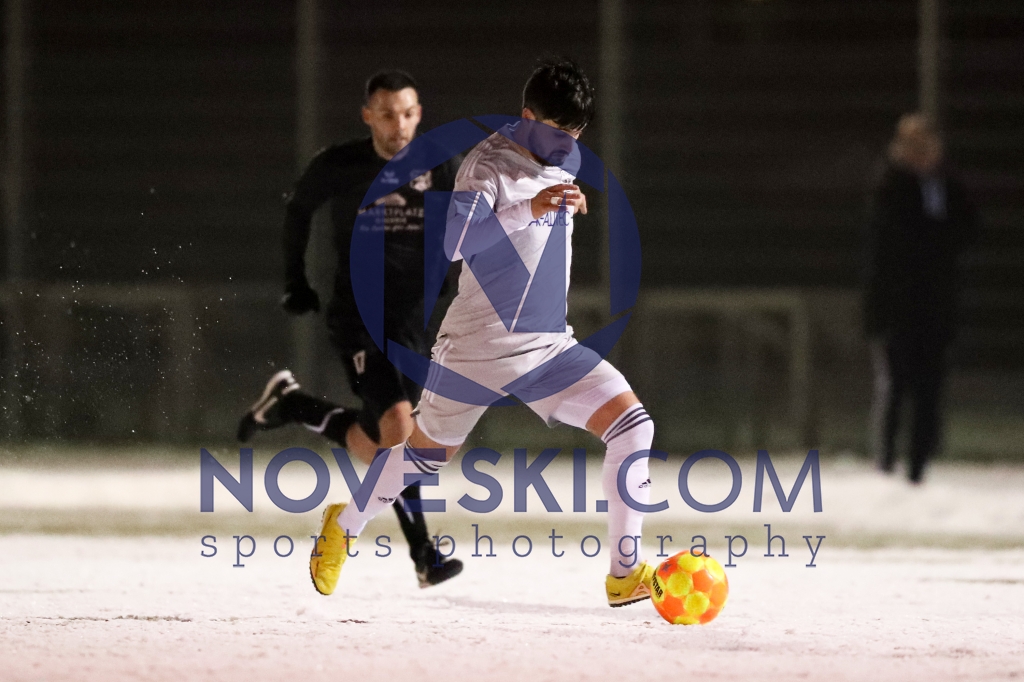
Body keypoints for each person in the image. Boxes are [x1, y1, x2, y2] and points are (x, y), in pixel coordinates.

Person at [309, 58, 658, 608]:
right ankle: (343, 525)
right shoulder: (485, 165)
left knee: (633, 427)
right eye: (559, 132)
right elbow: (456, 241)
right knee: (423, 458)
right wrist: (531, 207)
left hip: (548, 345)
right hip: (478, 347)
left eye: (576, 133)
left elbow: (539, 234)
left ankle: (624, 573)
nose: (569, 144)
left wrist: (567, 202)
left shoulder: (562, 156)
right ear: (528, 118)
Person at [237, 70, 463, 587]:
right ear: (367, 116)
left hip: (414, 323)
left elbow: (471, 219)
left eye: (407, 113)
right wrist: (295, 280)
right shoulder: (340, 164)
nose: (398, 124)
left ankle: (293, 404)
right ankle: (425, 557)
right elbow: (298, 211)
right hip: (360, 318)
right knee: (402, 432)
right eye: (387, 114)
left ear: (419, 114)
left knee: (385, 447)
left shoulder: (439, 165)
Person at [864, 113, 977, 484]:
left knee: (930, 386)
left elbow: (968, 229)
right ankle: (886, 458)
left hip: (936, 303)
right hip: (899, 304)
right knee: (895, 384)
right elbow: (889, 245)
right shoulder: (890, 185)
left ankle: (919, 463)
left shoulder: (949, 184)